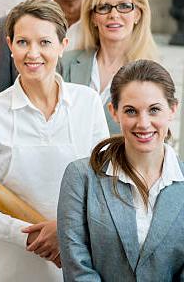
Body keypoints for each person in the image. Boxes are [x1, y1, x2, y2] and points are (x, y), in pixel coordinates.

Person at [0, 0, 109, 282]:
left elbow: (101, 187)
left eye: (45, 42)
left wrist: (64, 230)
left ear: (63, 46)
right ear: (10, 45)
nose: (32, 53)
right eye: (23, 42)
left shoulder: (87, 103)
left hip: (66, 263)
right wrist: (29, 235)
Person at [58, 60, 184, 281]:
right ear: (113, 112)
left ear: (173, 109)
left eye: (154, 110)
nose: (143, 123)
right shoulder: (80, 177)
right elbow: (77, 268)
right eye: (131, 111)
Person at [61, 0, 157, 134]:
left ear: (138, 15)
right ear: (93, 17)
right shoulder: (64, 64)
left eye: (124, 6)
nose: (113, 14)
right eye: (104, 7)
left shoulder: (151, 76)